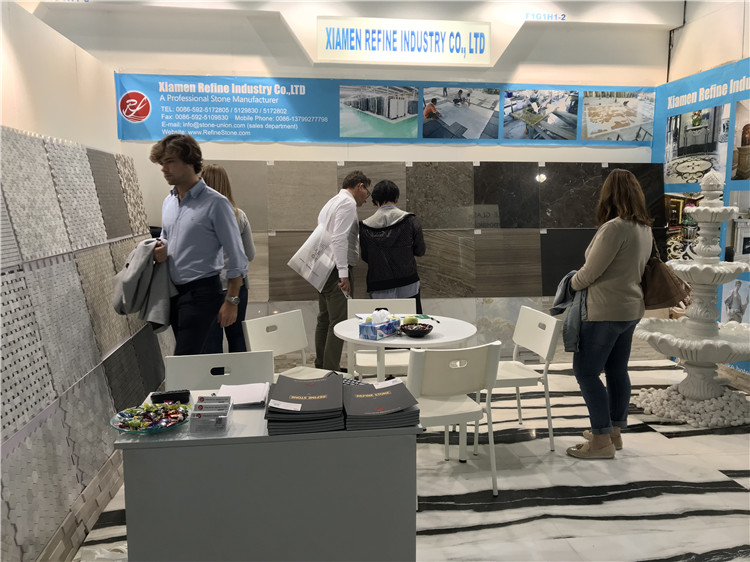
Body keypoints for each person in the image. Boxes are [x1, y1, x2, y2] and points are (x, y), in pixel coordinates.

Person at [566, 168, 652, 459]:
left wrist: (570, 284)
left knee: (586, 372)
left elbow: (590, 272)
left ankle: (601, 441)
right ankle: (614, 433)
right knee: (617, 370)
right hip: (630, 309)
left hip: (604, 311)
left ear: (608, 195)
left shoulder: (615, 228)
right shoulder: (643, 227)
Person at [150, 134, 248, 356]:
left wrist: (232, 301)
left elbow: (237, 256)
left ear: (190, 161)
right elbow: (165, 236)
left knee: (187, 360)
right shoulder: (169, 201)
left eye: (170, 161)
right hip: (174, 291)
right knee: (191, 360)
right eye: (162, 163)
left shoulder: (216, 203)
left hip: (202, 292)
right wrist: (160, 248)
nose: (164, 168)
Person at [314, 170, 371, 371]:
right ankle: (331, 370)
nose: (366, 199)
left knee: (324, 319)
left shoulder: (332, 202)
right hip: (335, 270)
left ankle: (321, 366)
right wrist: (343, 274)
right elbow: (339, 239)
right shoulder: (347, 203)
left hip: (323, 267)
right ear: (360, 186)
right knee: (338, 321)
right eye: (367, 192)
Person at [200, 164, 256, 353]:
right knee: (238, 337)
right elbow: (250, 254)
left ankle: (216, 374)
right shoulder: (240, 216)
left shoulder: (199, 217)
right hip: (236, 288)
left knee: (211, 342)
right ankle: (239, 374)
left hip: (209, 288)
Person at [359, 180, 426, 313]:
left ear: (375, 201)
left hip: (379, 285)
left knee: (382, 323)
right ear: (396, 197)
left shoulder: (365, 226)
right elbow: (420, 250)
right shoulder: (410, 220)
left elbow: (366, 257)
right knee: (412, 322)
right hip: (408, 282)